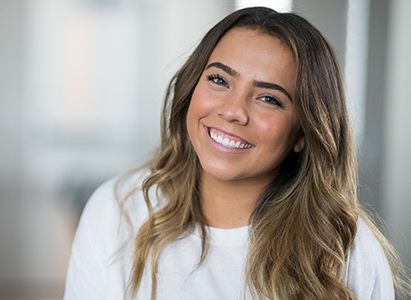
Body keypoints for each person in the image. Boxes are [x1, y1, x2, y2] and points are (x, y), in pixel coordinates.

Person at [63, 6, 409, 300]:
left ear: (302, 134)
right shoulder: (117, 210)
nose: (233, 111)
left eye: (269, 99)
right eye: (219, 80)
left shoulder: (347, 253)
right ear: (191, 88)